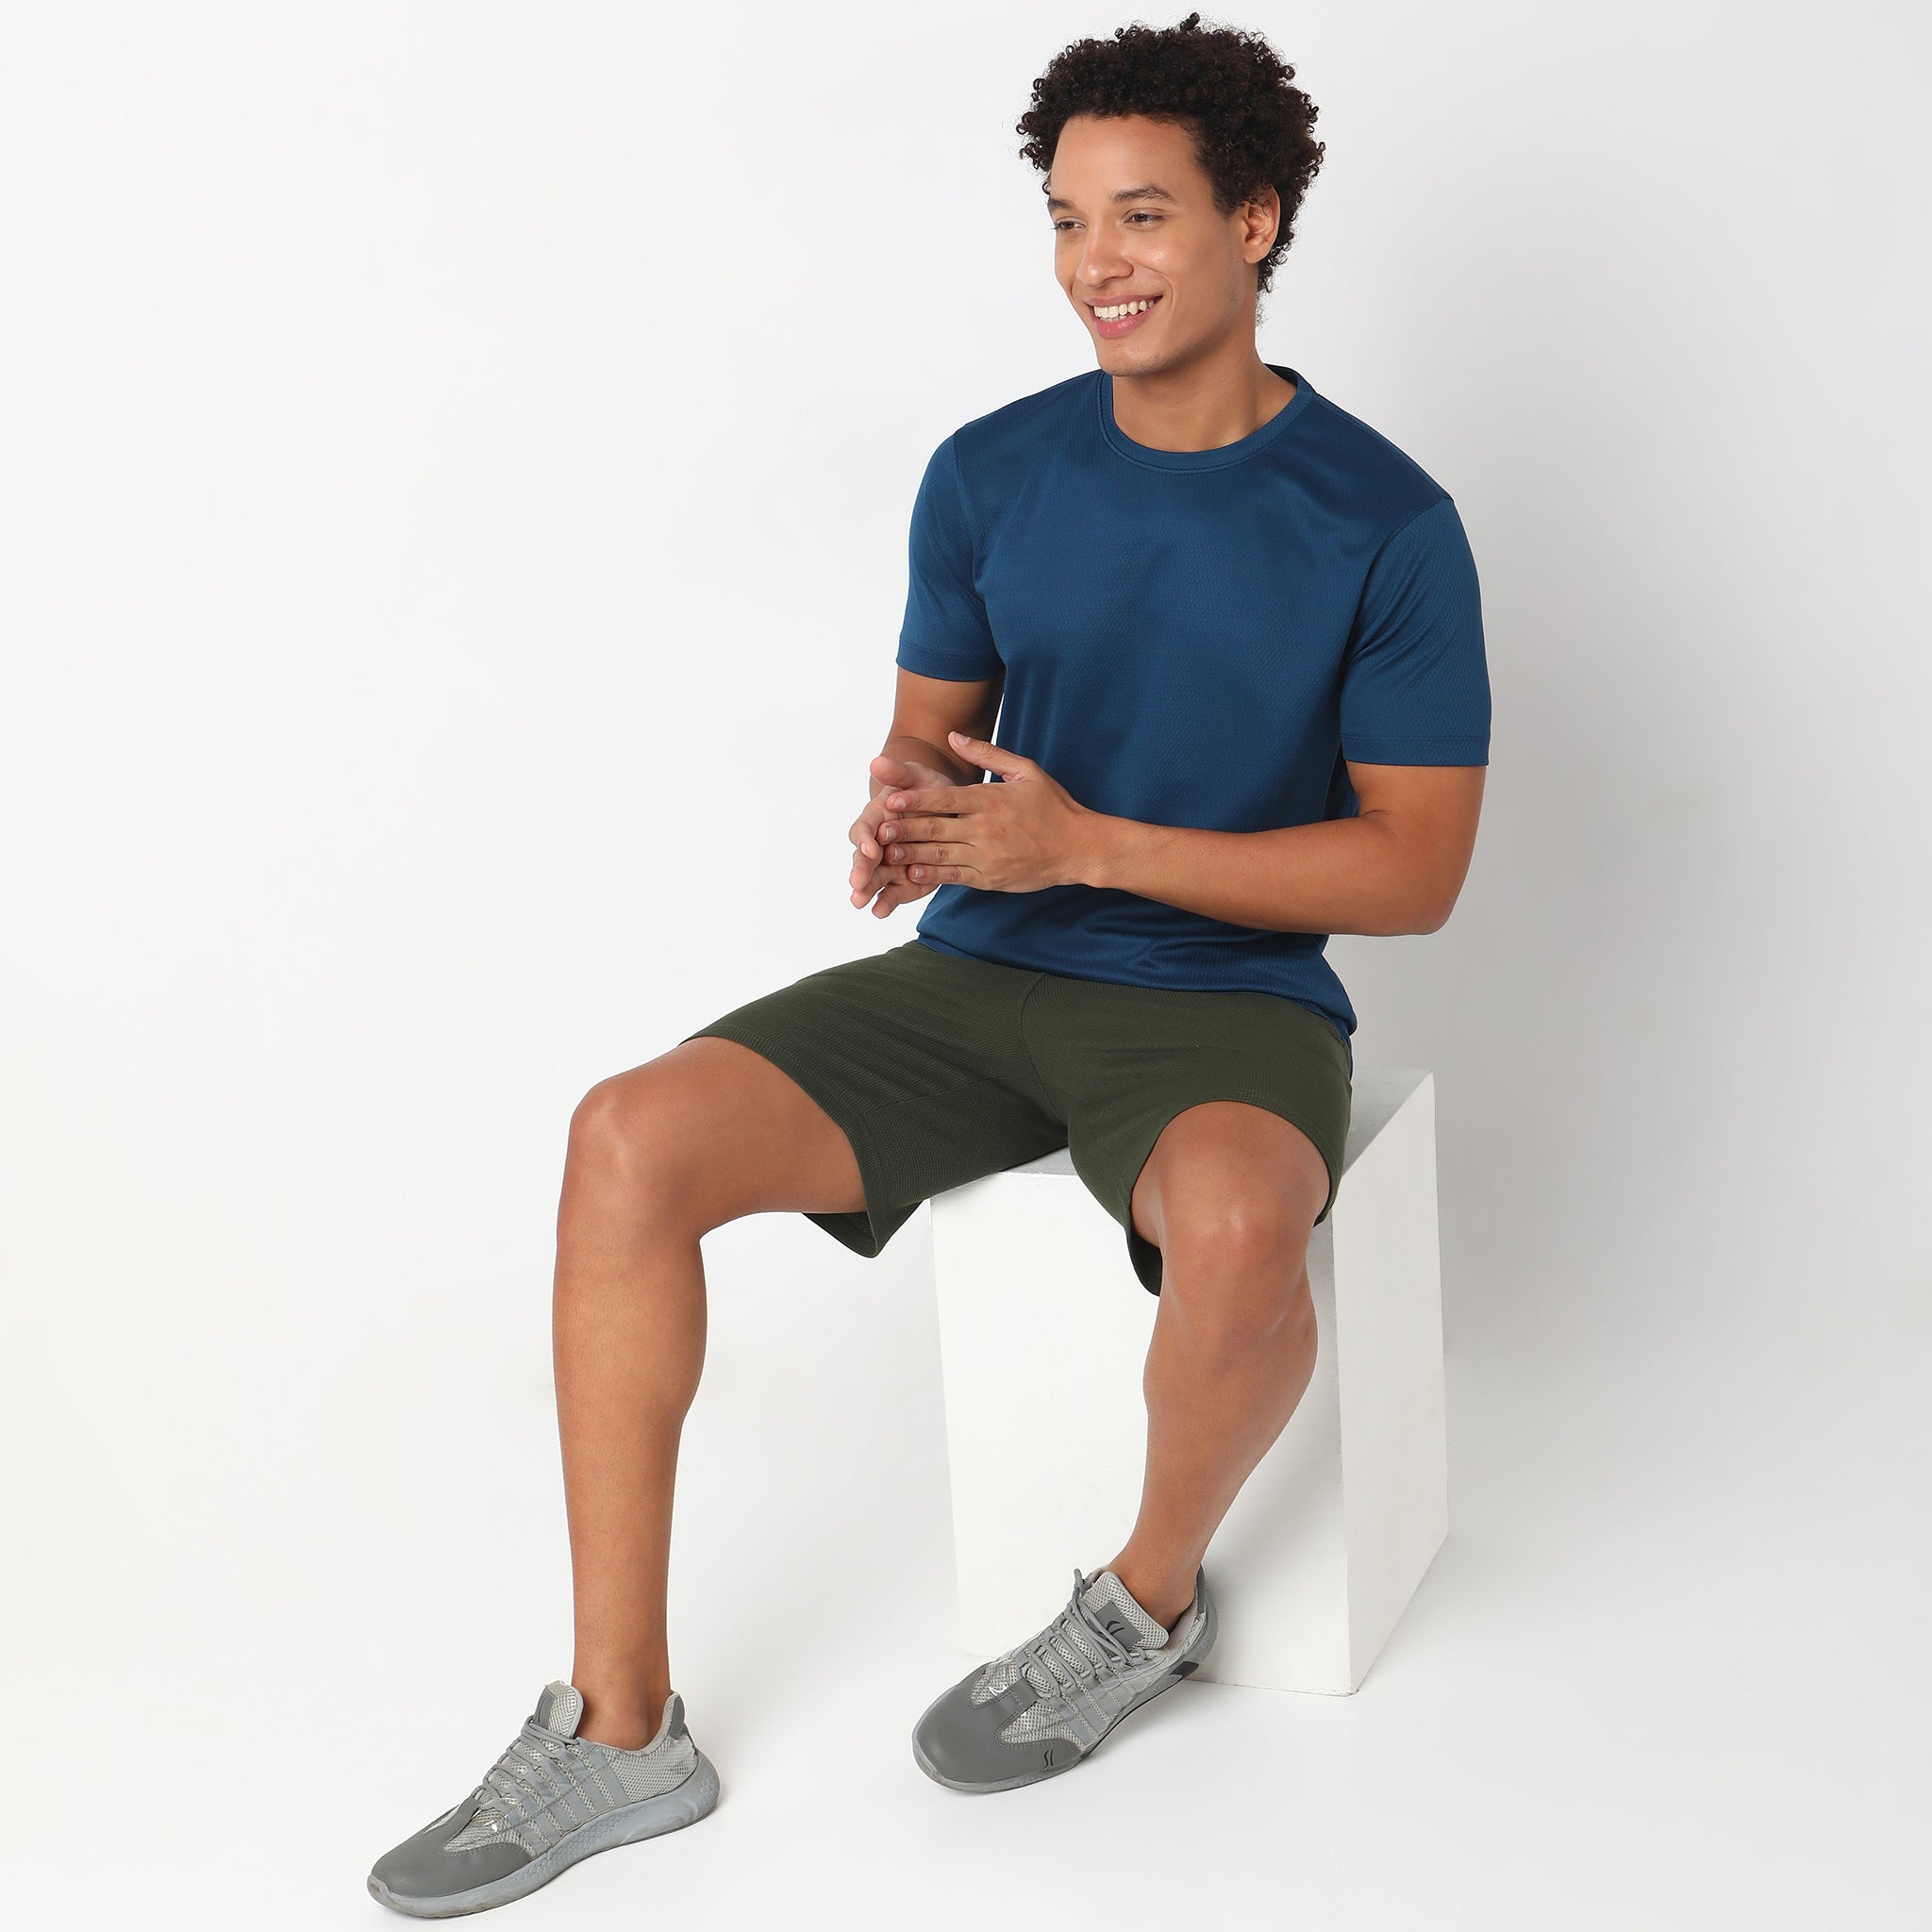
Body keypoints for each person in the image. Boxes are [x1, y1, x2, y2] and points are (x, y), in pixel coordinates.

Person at [368, 10, 1490, 1917]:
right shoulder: (988, 472)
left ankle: (1142, 1605)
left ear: (1254, 219)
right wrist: (907, 816)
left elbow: (1417, 870)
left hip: (1224, 1003)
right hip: (981, 979)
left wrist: (1090, 846)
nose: (1095, 262)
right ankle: (621, 1731)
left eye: (1141, 215)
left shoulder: (1385, 522)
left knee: (1240, 1224)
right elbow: (927, 741)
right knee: (627, 1136)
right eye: (1065, 220)